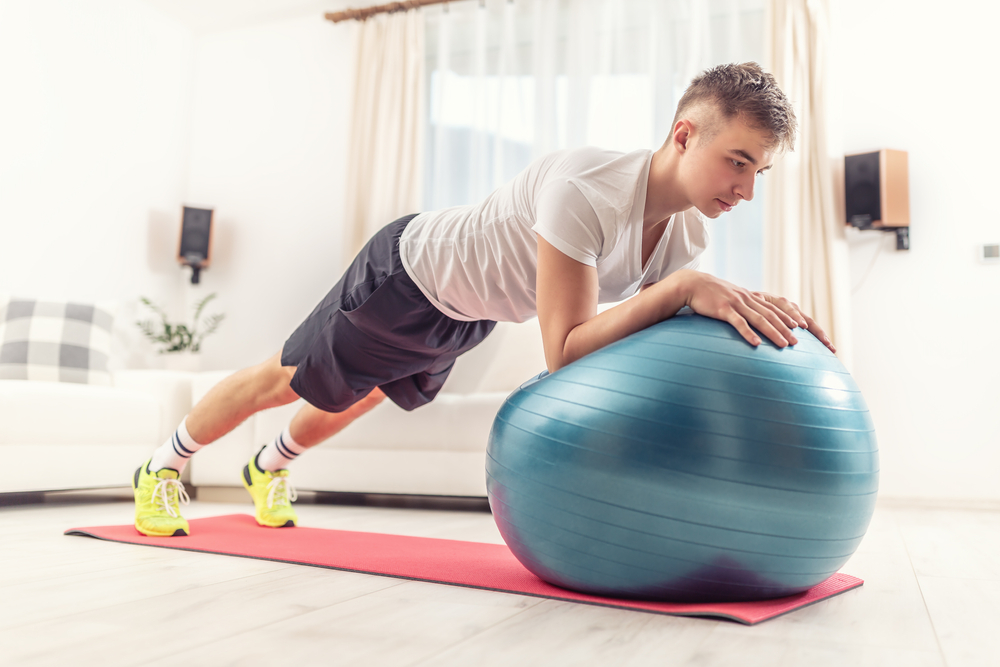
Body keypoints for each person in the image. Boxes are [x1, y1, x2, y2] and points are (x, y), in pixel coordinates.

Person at [132, 62, 835, 537]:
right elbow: (565, 350)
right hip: (408, 272)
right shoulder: (587, 189)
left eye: (759, 172)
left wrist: (725, 302)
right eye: (737, 162)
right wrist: (683, 292)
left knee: (367, 392)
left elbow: (637, 340)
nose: (745, 190)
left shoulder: (685, 237)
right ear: (685, 135)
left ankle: (267, 467)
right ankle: (162, 464)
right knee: (285, 380)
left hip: (468, 316)